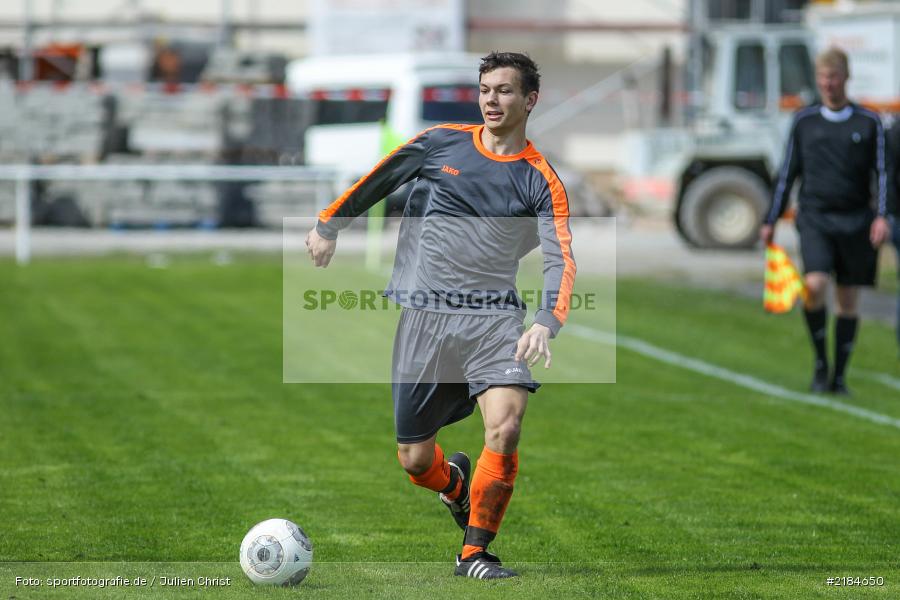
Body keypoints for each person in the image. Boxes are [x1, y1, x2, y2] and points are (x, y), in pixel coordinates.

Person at [305, 52, 575, 579]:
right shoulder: (442, 142)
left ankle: (474, 553)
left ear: (530, 100)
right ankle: (453, 484)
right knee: (413, 459)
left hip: (493, 321)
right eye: (485, 90)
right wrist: (329, 224)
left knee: (506, 423)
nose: (492, 100)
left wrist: (546, 319)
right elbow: (380, 178)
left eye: (504, 90)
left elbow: (560, 255)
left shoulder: (541, 179)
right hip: (425, 318)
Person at [760, 47, 891, 394]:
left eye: (833, 77)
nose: (827, 84)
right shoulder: (805, 121)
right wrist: (770, 218)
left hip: (856, 221)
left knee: (848, 300)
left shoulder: (869, 121)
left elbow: (882, 173)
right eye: (822, 78)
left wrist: (881, 215)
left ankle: (840, 377)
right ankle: (820, 364)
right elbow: (787, 172)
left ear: (845, 78)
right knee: (815, 286)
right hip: (816, 217)